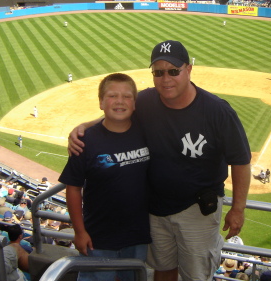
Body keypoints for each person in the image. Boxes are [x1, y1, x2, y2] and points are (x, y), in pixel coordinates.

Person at [68, 40, 252, 281]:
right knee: (163, 270)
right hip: (154, 210)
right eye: (159, 72)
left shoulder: (217, 111)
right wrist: (84, 126)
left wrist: (238, 208)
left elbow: (241, 161)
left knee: (196, 276)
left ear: (189, 69)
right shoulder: (146, 101)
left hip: (197, 211)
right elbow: (117, 113)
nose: (166, 79)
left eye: (173, 71)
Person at [60, 73, 151, 281]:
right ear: (101, 102)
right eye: (112, 96)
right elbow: (73, 188)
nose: (120, 101)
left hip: (137, 236)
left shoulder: (146, 132)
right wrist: (79, 231)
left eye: (127, 97)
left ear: (135, 103)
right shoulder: (85, 142)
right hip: (98, 237)